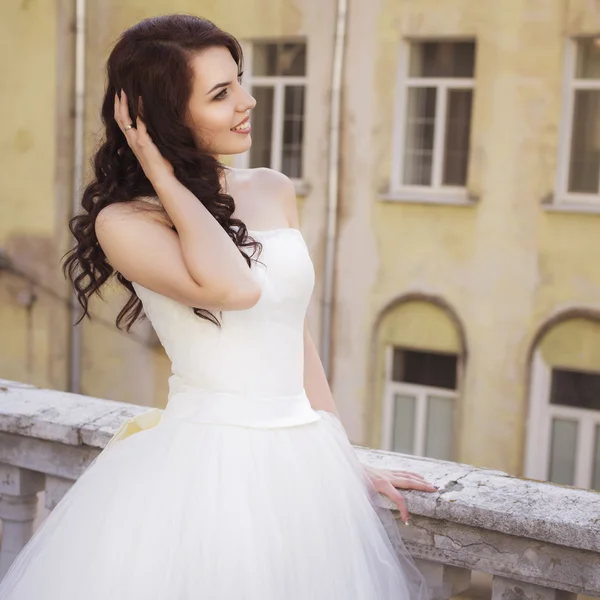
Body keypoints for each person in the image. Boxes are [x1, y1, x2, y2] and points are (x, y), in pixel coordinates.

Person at [0, 14, 437, 599]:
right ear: (162, 118)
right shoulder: (126, 221)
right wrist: (160, 170)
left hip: (303, 464)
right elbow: (236, 290)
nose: (247, 101)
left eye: (240, 82)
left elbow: (291, 331)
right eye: (220, 93)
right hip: (207, 472)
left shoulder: (274, 188)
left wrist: (340, 456)